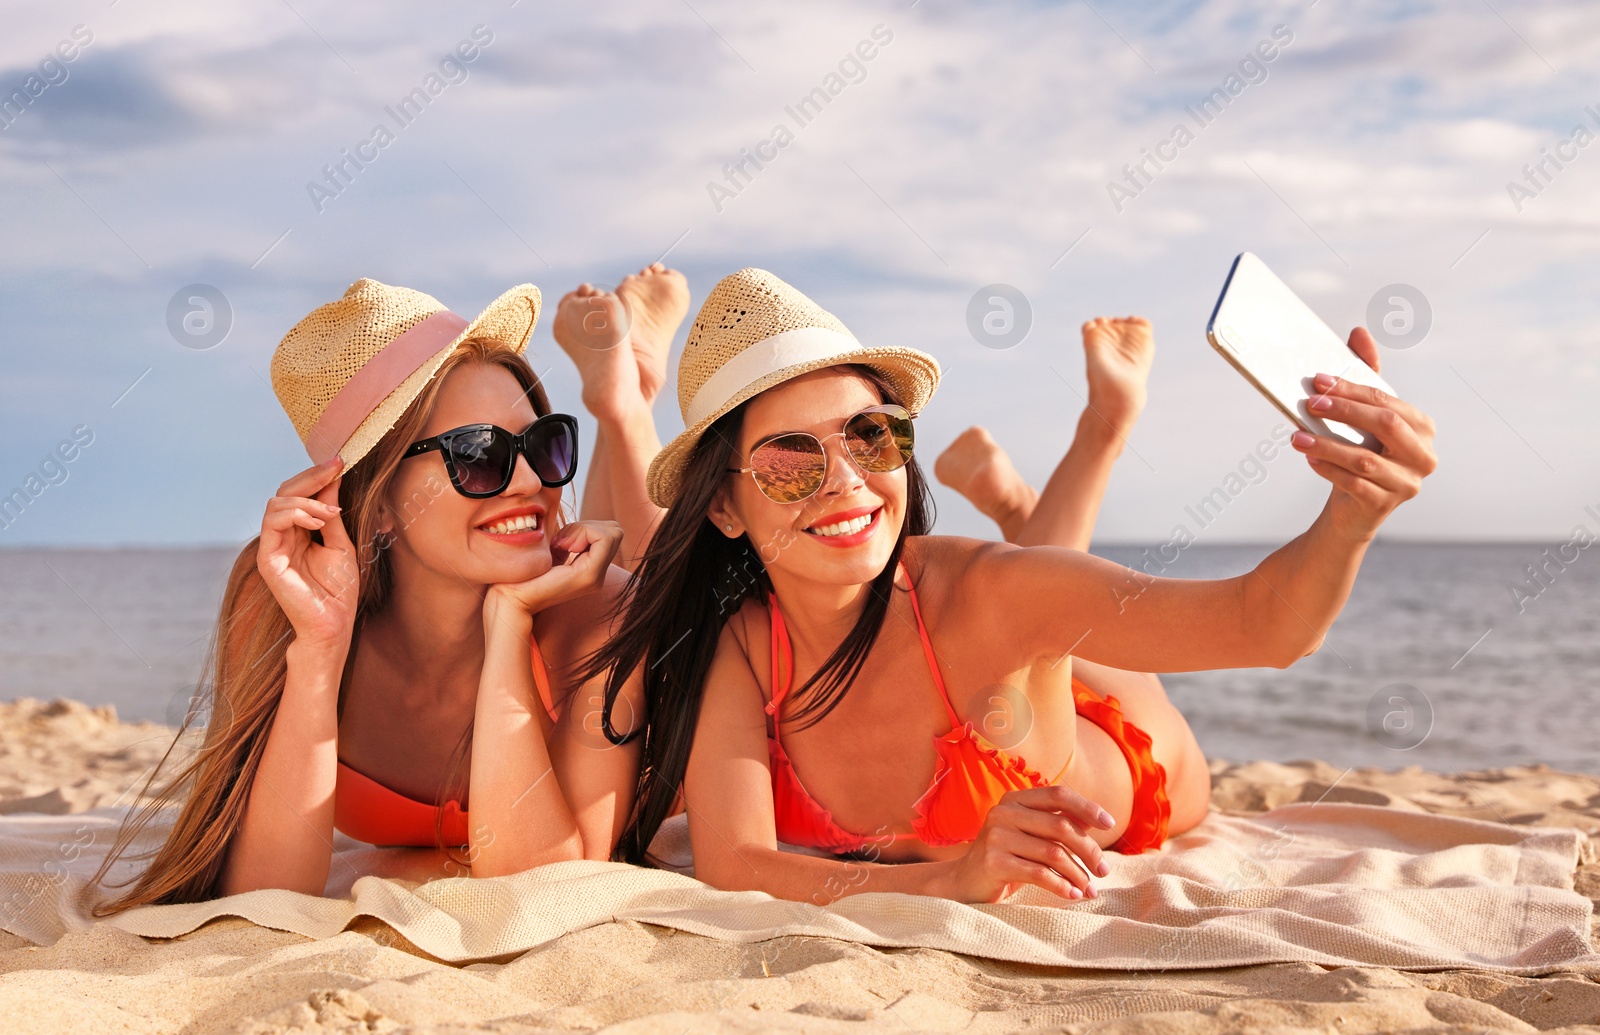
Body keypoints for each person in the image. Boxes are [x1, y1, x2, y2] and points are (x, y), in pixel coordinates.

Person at [576, 267, 1438, 905]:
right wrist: (957, 876)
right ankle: (1025, 500)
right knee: (653, 589)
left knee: (1041, 594)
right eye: (791, 459)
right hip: (997, 646)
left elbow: (1263, 625)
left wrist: (1351, 516)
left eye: (871, 436)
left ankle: (1096, 435)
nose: (845, 479)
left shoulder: (983, 592)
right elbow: (736, 864)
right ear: (724, 502)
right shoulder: (742, 643)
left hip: (1127, 753)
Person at [89, 277, 651, 913]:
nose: (530, 479)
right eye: (478, 454)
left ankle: (623, 405)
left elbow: (543, 890)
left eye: (545, 444)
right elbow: (266, 898)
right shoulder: (282, 593)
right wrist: (319, 651)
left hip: (626, 607)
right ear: (377, 501)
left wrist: (511, 625)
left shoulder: (601, 611)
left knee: (653, 559)